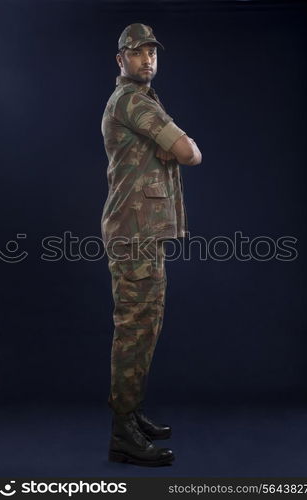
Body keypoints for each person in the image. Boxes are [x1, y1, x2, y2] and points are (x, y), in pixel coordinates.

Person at [100, 23, 202, 467]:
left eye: (152, 53)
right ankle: (122, 431)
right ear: (120, 59)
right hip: (133, 235)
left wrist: (169, 147)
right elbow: (188, 152)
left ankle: (132, 411)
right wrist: (178, 145)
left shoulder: (141, 101)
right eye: (137, 53)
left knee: (146, 326)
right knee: (135, 329)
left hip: (141, 233)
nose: (147, 59)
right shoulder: (132, 101)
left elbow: (171, 151)